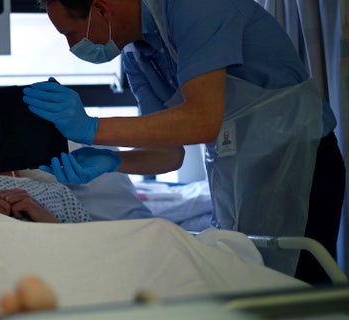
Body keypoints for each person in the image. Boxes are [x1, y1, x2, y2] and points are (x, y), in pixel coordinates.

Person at [22, 0, 345, 283]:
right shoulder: (138, 56)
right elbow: (169, 155)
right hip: (238, 173)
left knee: (302, 288)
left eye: (70, 34)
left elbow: (203, 120)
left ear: (101, 8)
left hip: (301, 159)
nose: (70, 47)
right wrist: (115, 162)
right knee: (254, 281)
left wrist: (92, 128)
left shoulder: (194, 7)